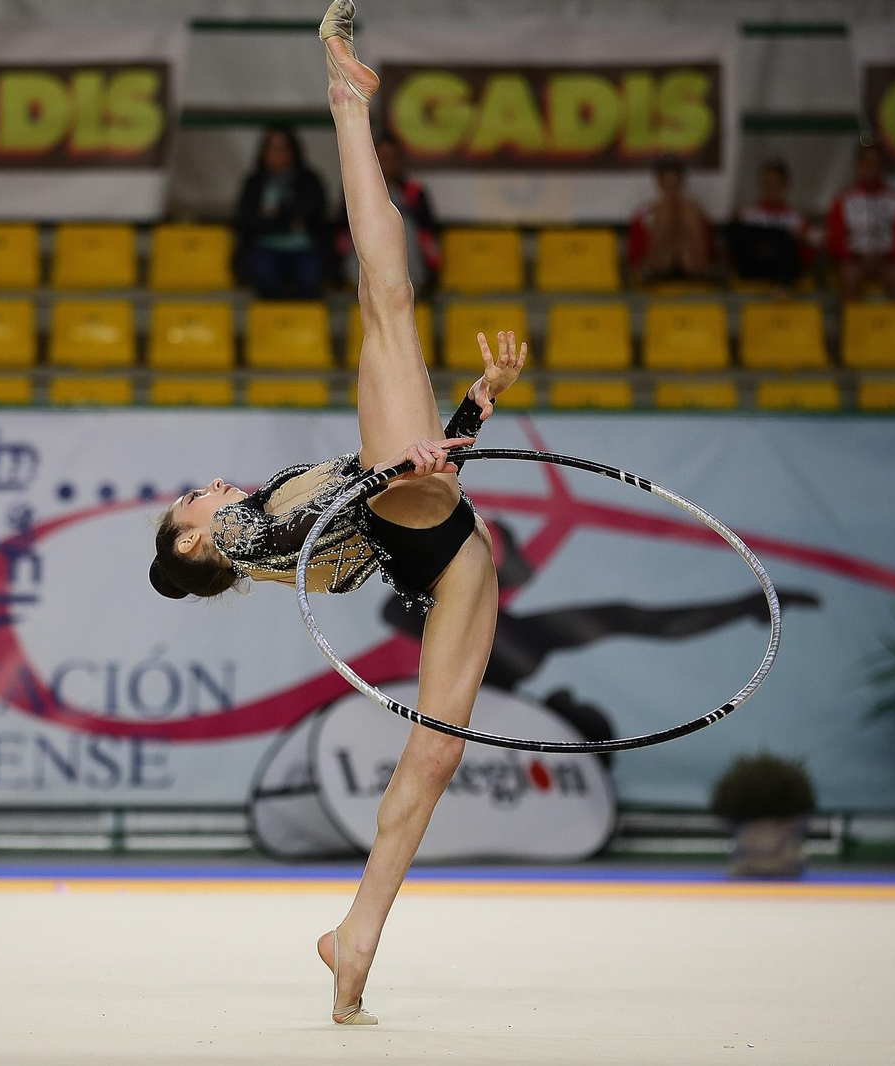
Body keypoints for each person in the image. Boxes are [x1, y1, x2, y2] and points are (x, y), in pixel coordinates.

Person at [149, 1, 527, 1026]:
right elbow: (301, 528)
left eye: (201, 495)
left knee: (437, 751)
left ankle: (353, 935)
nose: (210, 490)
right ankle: (344, 104)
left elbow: (417, 471)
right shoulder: (236, 539)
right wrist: (397, 466)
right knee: (387, 293)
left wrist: (468, 411)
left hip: (442, 541)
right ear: (190, 537)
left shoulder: (254, 530)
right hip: (410, 512)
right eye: (193, 501)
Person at [233, 123, 331, 299]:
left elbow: (313, 213)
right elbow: (247, 219)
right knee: (265, 274)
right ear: (263, 152)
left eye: (283, 148)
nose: (278, 154)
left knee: (311, 276)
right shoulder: (254, 182)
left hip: (304, 247)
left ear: (294, 150)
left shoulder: (309, 180)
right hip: (263, 247)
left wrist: (271, 215)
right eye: (273, 148)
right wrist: (291, 220)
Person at [334, 134, 441, 290]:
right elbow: (343, 228)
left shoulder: (414, 191)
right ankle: (360, 282)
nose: (387, 162)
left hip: (406, 256)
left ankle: (409, 283)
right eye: (382, 157)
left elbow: (427, 230)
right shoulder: (356, 189)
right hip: (365, 250)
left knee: (406, 226)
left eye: (392, 157)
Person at [826, 143, 895, 300]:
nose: (871, 168)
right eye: (867, 163)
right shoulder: (843, 199)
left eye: (876, 163)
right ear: (858, 165)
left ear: (882, 166)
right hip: (855, 261)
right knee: (849, 274)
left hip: (887, 261)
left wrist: (887, 257)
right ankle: (851, 323)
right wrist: (855, 256)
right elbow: (835, 239)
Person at [727, 158, 814, 290]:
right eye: (767, 184)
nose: (771, 189)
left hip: (786, 269)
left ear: (785, 185)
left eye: (775, 184)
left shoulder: (797, 218)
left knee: (785, 239)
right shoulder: (746, 215)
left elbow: (807, 257)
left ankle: (782, 286)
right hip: (753, 267)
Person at [627, 156, 715, 282]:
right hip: (657, 265)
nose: (671, 187)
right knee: (666, 211)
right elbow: (635, 259)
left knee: (688, 209)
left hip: (692, 264)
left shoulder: (694, 211)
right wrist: (667, 208)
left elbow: (710, 251)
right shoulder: (645, 214)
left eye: (675, 183)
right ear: (659, 182)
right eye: (667, 183)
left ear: (681, 182)